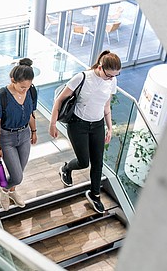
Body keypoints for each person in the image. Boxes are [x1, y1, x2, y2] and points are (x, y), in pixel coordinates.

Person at [49, 50, 121, 214]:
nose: (112, 78)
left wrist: (109, 127)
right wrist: (52, 123)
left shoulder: (111, 81)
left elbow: (106, 106)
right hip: (78, 124)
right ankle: (66, 169)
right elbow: (59, 99)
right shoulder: (82, 77)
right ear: (101, 67)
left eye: (115, 75)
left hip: (97, 125)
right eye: (109, 75)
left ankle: (95, 195)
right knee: (84, 162)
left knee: (98, 162)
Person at [0, 58, 38, 211]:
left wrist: (34, 131)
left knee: (19, 170)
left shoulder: (31, 91)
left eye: (28, 86)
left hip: (24, 135)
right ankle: (4, 190)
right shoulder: (0, 97)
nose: (25, 89)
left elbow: (31, 113)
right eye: (22, 87)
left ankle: (11, 191)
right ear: (13, 80)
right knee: (17, 176)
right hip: (7, 138)